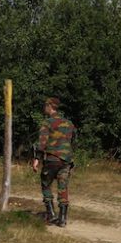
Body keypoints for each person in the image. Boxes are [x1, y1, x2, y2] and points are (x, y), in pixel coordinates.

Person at [32, 96, 76, 227]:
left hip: (52, 159)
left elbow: (42, 143)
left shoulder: (48, 123)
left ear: (50, 106)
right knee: (63, 188)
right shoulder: (69, 123)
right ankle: (62, 219)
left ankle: (51, 215)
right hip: (66, 160)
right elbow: (73, 141)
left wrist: (36, 159)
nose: (44, 108)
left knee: (46, 184)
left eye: (45, 106)